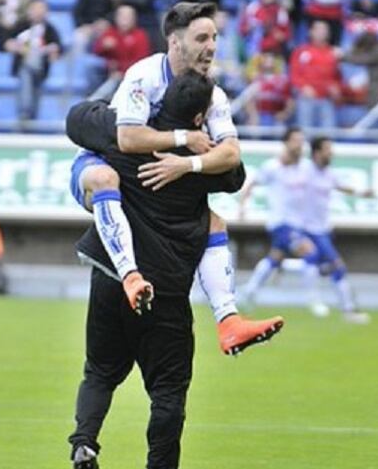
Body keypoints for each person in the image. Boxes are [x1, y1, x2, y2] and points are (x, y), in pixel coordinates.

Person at [69, 1, 284, 358]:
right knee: (107, 179)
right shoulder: (145, 75)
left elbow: (231, 155)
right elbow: (127, 139)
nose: (212, 46)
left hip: (152, 175)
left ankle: (229, 321)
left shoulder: (212, 94)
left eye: (214, 37)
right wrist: (185, 140)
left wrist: (188, 165)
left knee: (213, 222)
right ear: (175, 42)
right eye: (202, 37)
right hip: (100, 163)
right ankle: (129, 275)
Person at [67, 68, 248, 469]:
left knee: (98, 371)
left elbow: (78, 120)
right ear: (202, 118)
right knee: (168, 392)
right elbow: (235, 174)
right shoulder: (205, 162)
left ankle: (84, 443)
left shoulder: (125, 143)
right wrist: (195, 157)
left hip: (114, 279)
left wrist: (113, 114)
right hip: (165, 288)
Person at [238, 127, 324, 315]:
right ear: (286, 143)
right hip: (281, 222)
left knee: (275, 258)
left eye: (302, 141)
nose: (299, 144)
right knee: (310, 252)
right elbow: (253, 183)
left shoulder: (305, 167)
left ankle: (249, 292)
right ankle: (314, 300)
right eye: (295, 140)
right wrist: (243, 206)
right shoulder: (273, 166)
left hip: (298, 223)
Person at [302, 136, 372, 324]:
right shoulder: (304, 171)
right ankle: (346, 310)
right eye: (327, 148)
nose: (331, 152)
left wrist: (361, 193)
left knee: (320, 266)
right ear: (317, 152)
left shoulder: (329, 174)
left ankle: (321, 302)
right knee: (336, 266)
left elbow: (341, 187)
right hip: (307, 229)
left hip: (323, 230)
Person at [3, 0, 61, 121]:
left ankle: (28, 114)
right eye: (36, 8)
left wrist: (53, 52)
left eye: (42, 9)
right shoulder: (21, 26)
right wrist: (12, 46)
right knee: (26, 71)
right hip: (22, 66)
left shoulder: (50, 30)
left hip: (42, 68)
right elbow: (6, 42)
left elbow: (58, 48)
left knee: (32, 76)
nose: (39, 12)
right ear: (29, 10)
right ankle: (26, 112)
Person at [89, 4, 151, 101]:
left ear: (134, 19)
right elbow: (96, 52)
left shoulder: (140, 36)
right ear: (116, 18)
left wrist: (120, 69)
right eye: (122, 16)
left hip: (129, 74)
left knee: (116, 80)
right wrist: (103, 46)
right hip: (107, 72)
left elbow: (140, 62)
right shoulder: (111, 32)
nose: (125, 20)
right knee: (92, 64)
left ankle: (93, 101)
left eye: (128, 17)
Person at [289, 20, 341, 129]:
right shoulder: (301, 51)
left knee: (328, 132)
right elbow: (294, 74)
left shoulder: (333, 53)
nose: (322, 32)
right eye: (318, 29)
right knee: (305, 131)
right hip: (306, 98)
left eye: (324, 30)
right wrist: (303, 87)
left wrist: (335, 87)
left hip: (326, 99)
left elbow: (337, 76)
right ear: (310, 32)